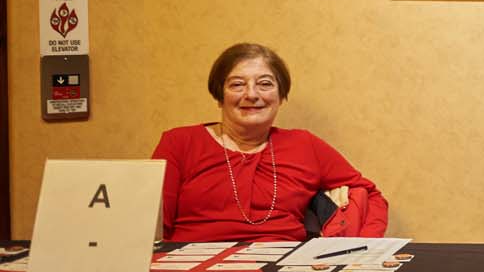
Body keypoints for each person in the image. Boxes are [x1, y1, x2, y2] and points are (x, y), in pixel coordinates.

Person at [152, 43, 388, 242]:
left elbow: (370, 194)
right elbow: (151, 224)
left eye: (265, 84)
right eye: (237, 84)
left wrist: (363, 247)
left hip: (283, 270)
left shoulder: (304, 145)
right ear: (219, 95)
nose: (252, 95)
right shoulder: (179, 143)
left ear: (280, 96)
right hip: (193, 267)